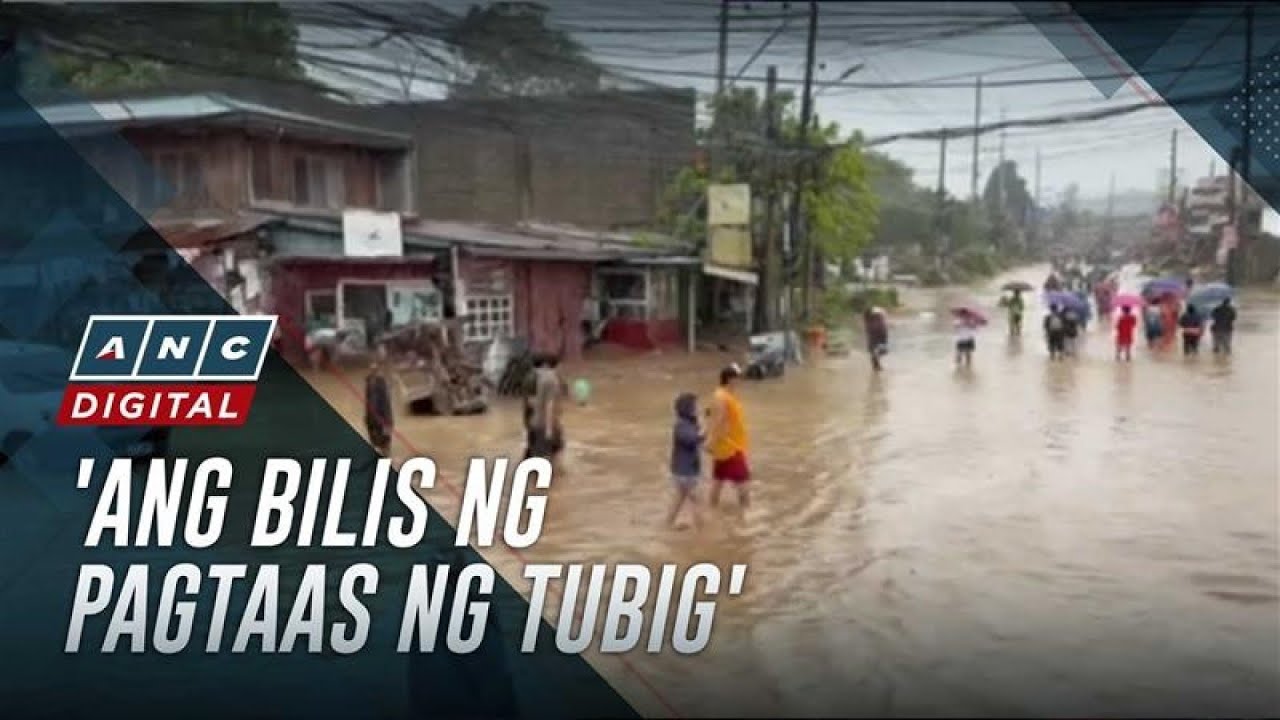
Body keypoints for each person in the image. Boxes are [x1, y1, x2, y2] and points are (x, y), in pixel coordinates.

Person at [707, 364, 750, 509]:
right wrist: (711, 443)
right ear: (731, 379)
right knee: (743, 482)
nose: (740, 381)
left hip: (726, 446)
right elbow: (718, 421)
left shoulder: (726, 395)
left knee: (718, 480)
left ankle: (712, 511)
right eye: (738, 378)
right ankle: (745, 513)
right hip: (730, 447)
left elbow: (712, 417)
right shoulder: (721, 397)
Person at [668, 392, 704, 530]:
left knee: (679, 498)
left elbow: (697, 440)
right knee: (697, 500)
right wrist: (706, 431)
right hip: (686, 472)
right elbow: (692, 440)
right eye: (696, 406)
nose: (698, 408)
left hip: (682, 470)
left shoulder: (687, 424)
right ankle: (701, 530)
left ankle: (667, 524)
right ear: (689, 409)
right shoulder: (682, 426)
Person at [364, 346, 393, 457]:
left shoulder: (382, 383)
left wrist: (387, 420)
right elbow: (367, 400)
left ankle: (384, 451)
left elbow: (386, 402)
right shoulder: (368, 381)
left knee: (383, 439)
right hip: (372, 416)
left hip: (381, 415)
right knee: (374, 437)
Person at [863, 307, 889, 372]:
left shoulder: (869, 320)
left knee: (875, 351)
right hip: (878, 334)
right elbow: (883, 328)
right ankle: (876, 366)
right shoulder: (877, 318)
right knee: (879, 350)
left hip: (875, 335)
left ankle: (876, 366)